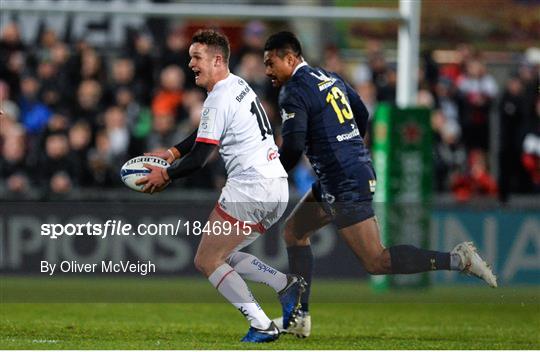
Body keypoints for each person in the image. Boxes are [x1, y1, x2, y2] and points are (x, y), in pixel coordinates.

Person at [262, 31, 498, 338]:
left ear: (290, 59)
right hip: (346, 171)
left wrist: (269, 177)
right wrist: (349, 146)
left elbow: (292, 147)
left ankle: (459, 259)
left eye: (271, 63)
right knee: (294, 232)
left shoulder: (294, 90)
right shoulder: (330, 77)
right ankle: (298, 317)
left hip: (343, 179)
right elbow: (361, 111)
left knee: (376, 260)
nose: (267, 71)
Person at [135, 29, 305, 343]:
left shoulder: (218, 98)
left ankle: (262, 324)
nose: (190, 64)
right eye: (189, 57)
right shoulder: (237, 85)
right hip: (275, 185)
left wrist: (166, 174)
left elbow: (201, 156)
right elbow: (203, 135)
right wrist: (171, 153)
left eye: (196, 57)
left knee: (207, 260)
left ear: (217, 59)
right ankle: (285, 284)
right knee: (221, 255)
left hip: (252, 187)